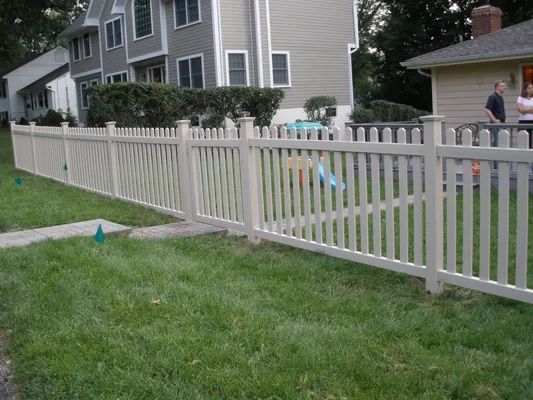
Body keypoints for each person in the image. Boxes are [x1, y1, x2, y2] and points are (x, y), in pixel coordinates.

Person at [484, 80, 506, 148]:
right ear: (497, 87)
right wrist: (494, 120)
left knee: (501, 143)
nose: (504, 88)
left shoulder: (500, 97)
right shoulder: (493, 97)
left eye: (504, 86)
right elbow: (487, 109)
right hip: (496, 125)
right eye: (502, 86)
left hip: (502, 123)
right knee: (497, 144)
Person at [517, 81, 533, 148]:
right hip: (523, 121)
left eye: (532, 88)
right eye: (529, 88)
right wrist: (531, 109)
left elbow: (523, 110)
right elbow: (520, 110)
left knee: (531, 140)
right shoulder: (520, 98)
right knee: (523, 141)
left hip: (532, 121)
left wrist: (525, 109)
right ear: (525, 89)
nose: (531, 89)